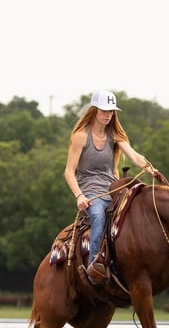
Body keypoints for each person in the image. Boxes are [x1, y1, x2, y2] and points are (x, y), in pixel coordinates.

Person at [64, 89, 156, 285]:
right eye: (104, 111)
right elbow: (69, 172)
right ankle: (93, 266)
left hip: (113, 188)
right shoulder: (81, 136)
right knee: (98, 216)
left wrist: (149, 167)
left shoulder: (114, 134)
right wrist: (79, 196)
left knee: (138, 212)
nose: (108, 115)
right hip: (90, 192)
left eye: (111, 111)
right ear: (94, 110)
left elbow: (133, 155)